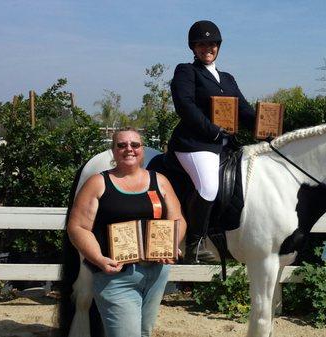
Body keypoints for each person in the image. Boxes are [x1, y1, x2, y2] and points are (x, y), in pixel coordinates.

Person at [67, 127, 186, 337]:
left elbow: (177, 219)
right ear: (113, 151)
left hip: (156, 273)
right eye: (121, 145)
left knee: (144, 332)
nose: (128, 149)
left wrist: (171, 244)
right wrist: (99, 259)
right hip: (115, 275)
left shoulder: (160, 181)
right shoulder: (97, 183)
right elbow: (78, 227)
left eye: (135, 145)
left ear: (142, 149)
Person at [169, 20, 256, 263]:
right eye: (201, 44)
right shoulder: (186, 71)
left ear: (218, 46)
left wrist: (265, 126)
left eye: (211, 43)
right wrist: (214, 131)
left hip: (225, 143)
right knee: (208, 186)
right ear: (193, 48)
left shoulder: (227, 78)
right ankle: (195, 243)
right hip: (195, 143)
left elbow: (243, 109)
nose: (207, 48)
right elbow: (185, 106)